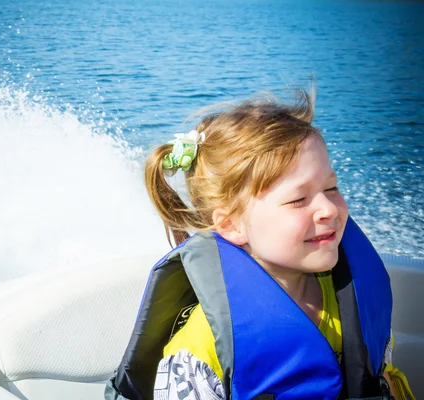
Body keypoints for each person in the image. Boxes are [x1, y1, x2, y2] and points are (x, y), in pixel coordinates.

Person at [104, 90, 414, 400]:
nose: (329, 209)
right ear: (231, 225)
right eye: (298, 199)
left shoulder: (350, 301)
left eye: (331, 187)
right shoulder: (202, 349)